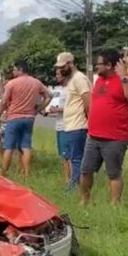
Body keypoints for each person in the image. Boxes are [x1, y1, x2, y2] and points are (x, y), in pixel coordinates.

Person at [80, 49, 128, 206]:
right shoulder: (99, 80)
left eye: (98, 64)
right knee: (86, 170)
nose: (96, 67)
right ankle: (84, 201)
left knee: (113, 173)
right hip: (93, 135)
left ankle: (114, 205)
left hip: (115, 137)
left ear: (108, 65)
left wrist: (124, 77)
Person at [0, 61, 50, 177]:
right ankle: (26, 173)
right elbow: (48, 97)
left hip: (13, 118)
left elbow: (3, 102)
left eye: (14, 70)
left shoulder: (12, 84)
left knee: (8, 146)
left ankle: (3, 172)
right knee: (26, 146)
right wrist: (38, 109)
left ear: (20, 70)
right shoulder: (36, 82)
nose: (13, 72)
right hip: (29, 118)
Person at [55, 52, 91, 191]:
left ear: (70, 64)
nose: (60, 70)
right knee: (73, 158)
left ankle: (74, 188)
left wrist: (88, 118)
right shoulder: (71, 80)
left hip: (78, 125)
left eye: (62, 66)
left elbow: (87, 101)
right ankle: (75, 186)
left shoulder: (79, 79)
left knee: (77, 160)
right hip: (71, 125)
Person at [48, 70, 71, 183]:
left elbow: (73, 107)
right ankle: (67, 179)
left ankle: (71, 180)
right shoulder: (62, 90)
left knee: (68, 156)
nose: (56, 76)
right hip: (60, 125)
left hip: (66, 126)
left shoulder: (69, 90)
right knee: (63, 156)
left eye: (58, 74)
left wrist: (57, 109)